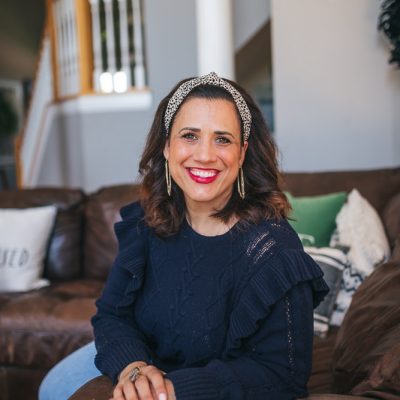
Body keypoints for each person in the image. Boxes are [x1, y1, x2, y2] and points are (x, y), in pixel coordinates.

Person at [39, 72, 329, 400]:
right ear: (167, 146)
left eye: (223, 139)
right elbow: (112, 314)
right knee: (51, 387)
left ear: (242, 152)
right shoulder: (147, 220)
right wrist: (133, 366)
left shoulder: (273, 251)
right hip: (142, 361)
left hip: (199, 386)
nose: (204, 155)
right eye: (190, 136)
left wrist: (173, 388)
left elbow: (283, 375)